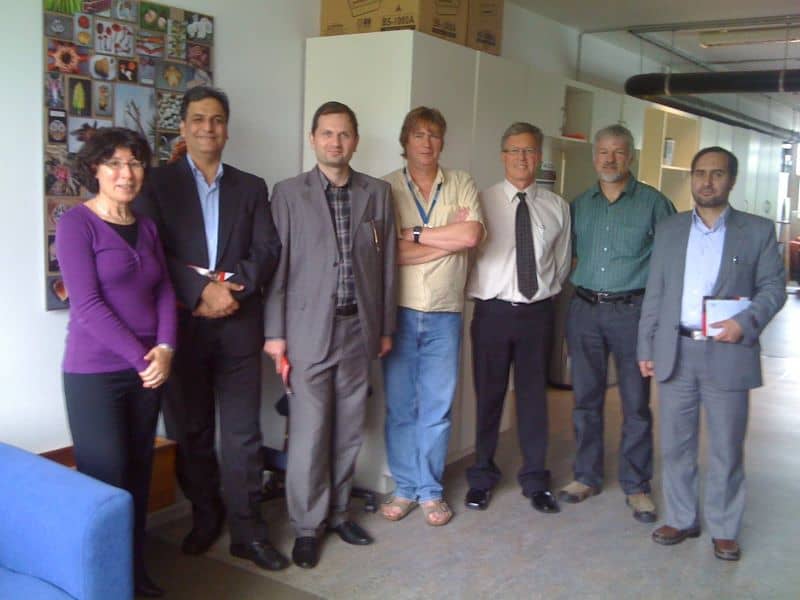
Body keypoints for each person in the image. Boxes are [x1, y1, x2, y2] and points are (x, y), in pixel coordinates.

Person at [134, 86, 285, 571]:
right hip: (180, 328)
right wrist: (199, 294)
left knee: (241, 434)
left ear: (227, 128)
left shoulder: (252, 186)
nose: (208, 129)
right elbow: (151, 252)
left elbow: (266, 251)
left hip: (239, 328)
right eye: (198, 119)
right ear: (183, 126)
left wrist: (229, 290)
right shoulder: (156, 184)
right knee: (191, 431)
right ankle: (205, 515)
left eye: (217, 120)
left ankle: (248, 530)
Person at [263, 101, 396, 568]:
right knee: (310, 434)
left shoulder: (377, 193)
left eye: (344, 134)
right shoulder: (287, 193)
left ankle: (339, 513)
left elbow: (386, 265)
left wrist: (384, 328)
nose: (335, 142)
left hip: (359, 330)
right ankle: (306, 525)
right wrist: (275, 334)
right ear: (313, 138)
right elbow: (276, 269)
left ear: (355, 140)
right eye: (327, 134)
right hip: (305, 333)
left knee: (347, 432)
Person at [638, 147, 785, 561]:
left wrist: (747, 321)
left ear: (731, 180)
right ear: (692, 178)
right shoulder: (669, 229)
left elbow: (774, 288)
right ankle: (682, 517)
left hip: (728, 351)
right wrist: (645, 345)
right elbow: (656, 293)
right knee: (675, 444)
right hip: (676, 350)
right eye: (700, 173)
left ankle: (724, 526)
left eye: (717, 174)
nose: (707, 181)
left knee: (725, 446)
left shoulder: (756, 231)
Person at [56, 127, 177, 598]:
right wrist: (142, 358)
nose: (126, 173)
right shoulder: (75, 224)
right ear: (96, 170)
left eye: (134, 163)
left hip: (149, 369)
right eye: (114, 164)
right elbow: (86, 304)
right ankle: (101, 583)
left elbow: (165, 289)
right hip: (95, 374)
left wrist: (166, 348)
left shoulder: (145, 225)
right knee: (105, 482)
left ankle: (133, 571)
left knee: (137, 477)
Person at [560, 124, 675, 523]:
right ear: (595, 157)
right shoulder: (579, 205)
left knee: (636, 404)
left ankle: (637, 485)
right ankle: (586, 475)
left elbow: (669, 267)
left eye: (619, 152)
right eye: (604, 152)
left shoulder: (654, 204)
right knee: (585, 401)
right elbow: (569, 256)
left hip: (633, 313)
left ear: (631, 157)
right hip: (585, 310)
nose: (610, 159)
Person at [381, 106, 484, 526]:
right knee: (401, 407)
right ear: (405, 140)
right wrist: (448, 242)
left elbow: (472, 234)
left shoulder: (460, 182)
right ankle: (405, 488)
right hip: (399, 312)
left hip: (445, 313)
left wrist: (420, 235)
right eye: (419, 134)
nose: (427, 143)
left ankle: (430, 491)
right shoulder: (385, 188)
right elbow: (388, 252)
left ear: (443, 142)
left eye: (435, 135)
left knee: (437, 408)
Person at [464, 122, 571, 513]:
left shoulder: (557, 207)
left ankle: (535, 479)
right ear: (502, 155)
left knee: (532, 400)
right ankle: (481, 476)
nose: (521, 158)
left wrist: (538, 296)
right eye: (513, 150)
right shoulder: (481, 201)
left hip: (537, 315)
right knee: (488, 397)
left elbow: (558, 266)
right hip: (492, 312)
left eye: (528, 151)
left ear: (539, 156)